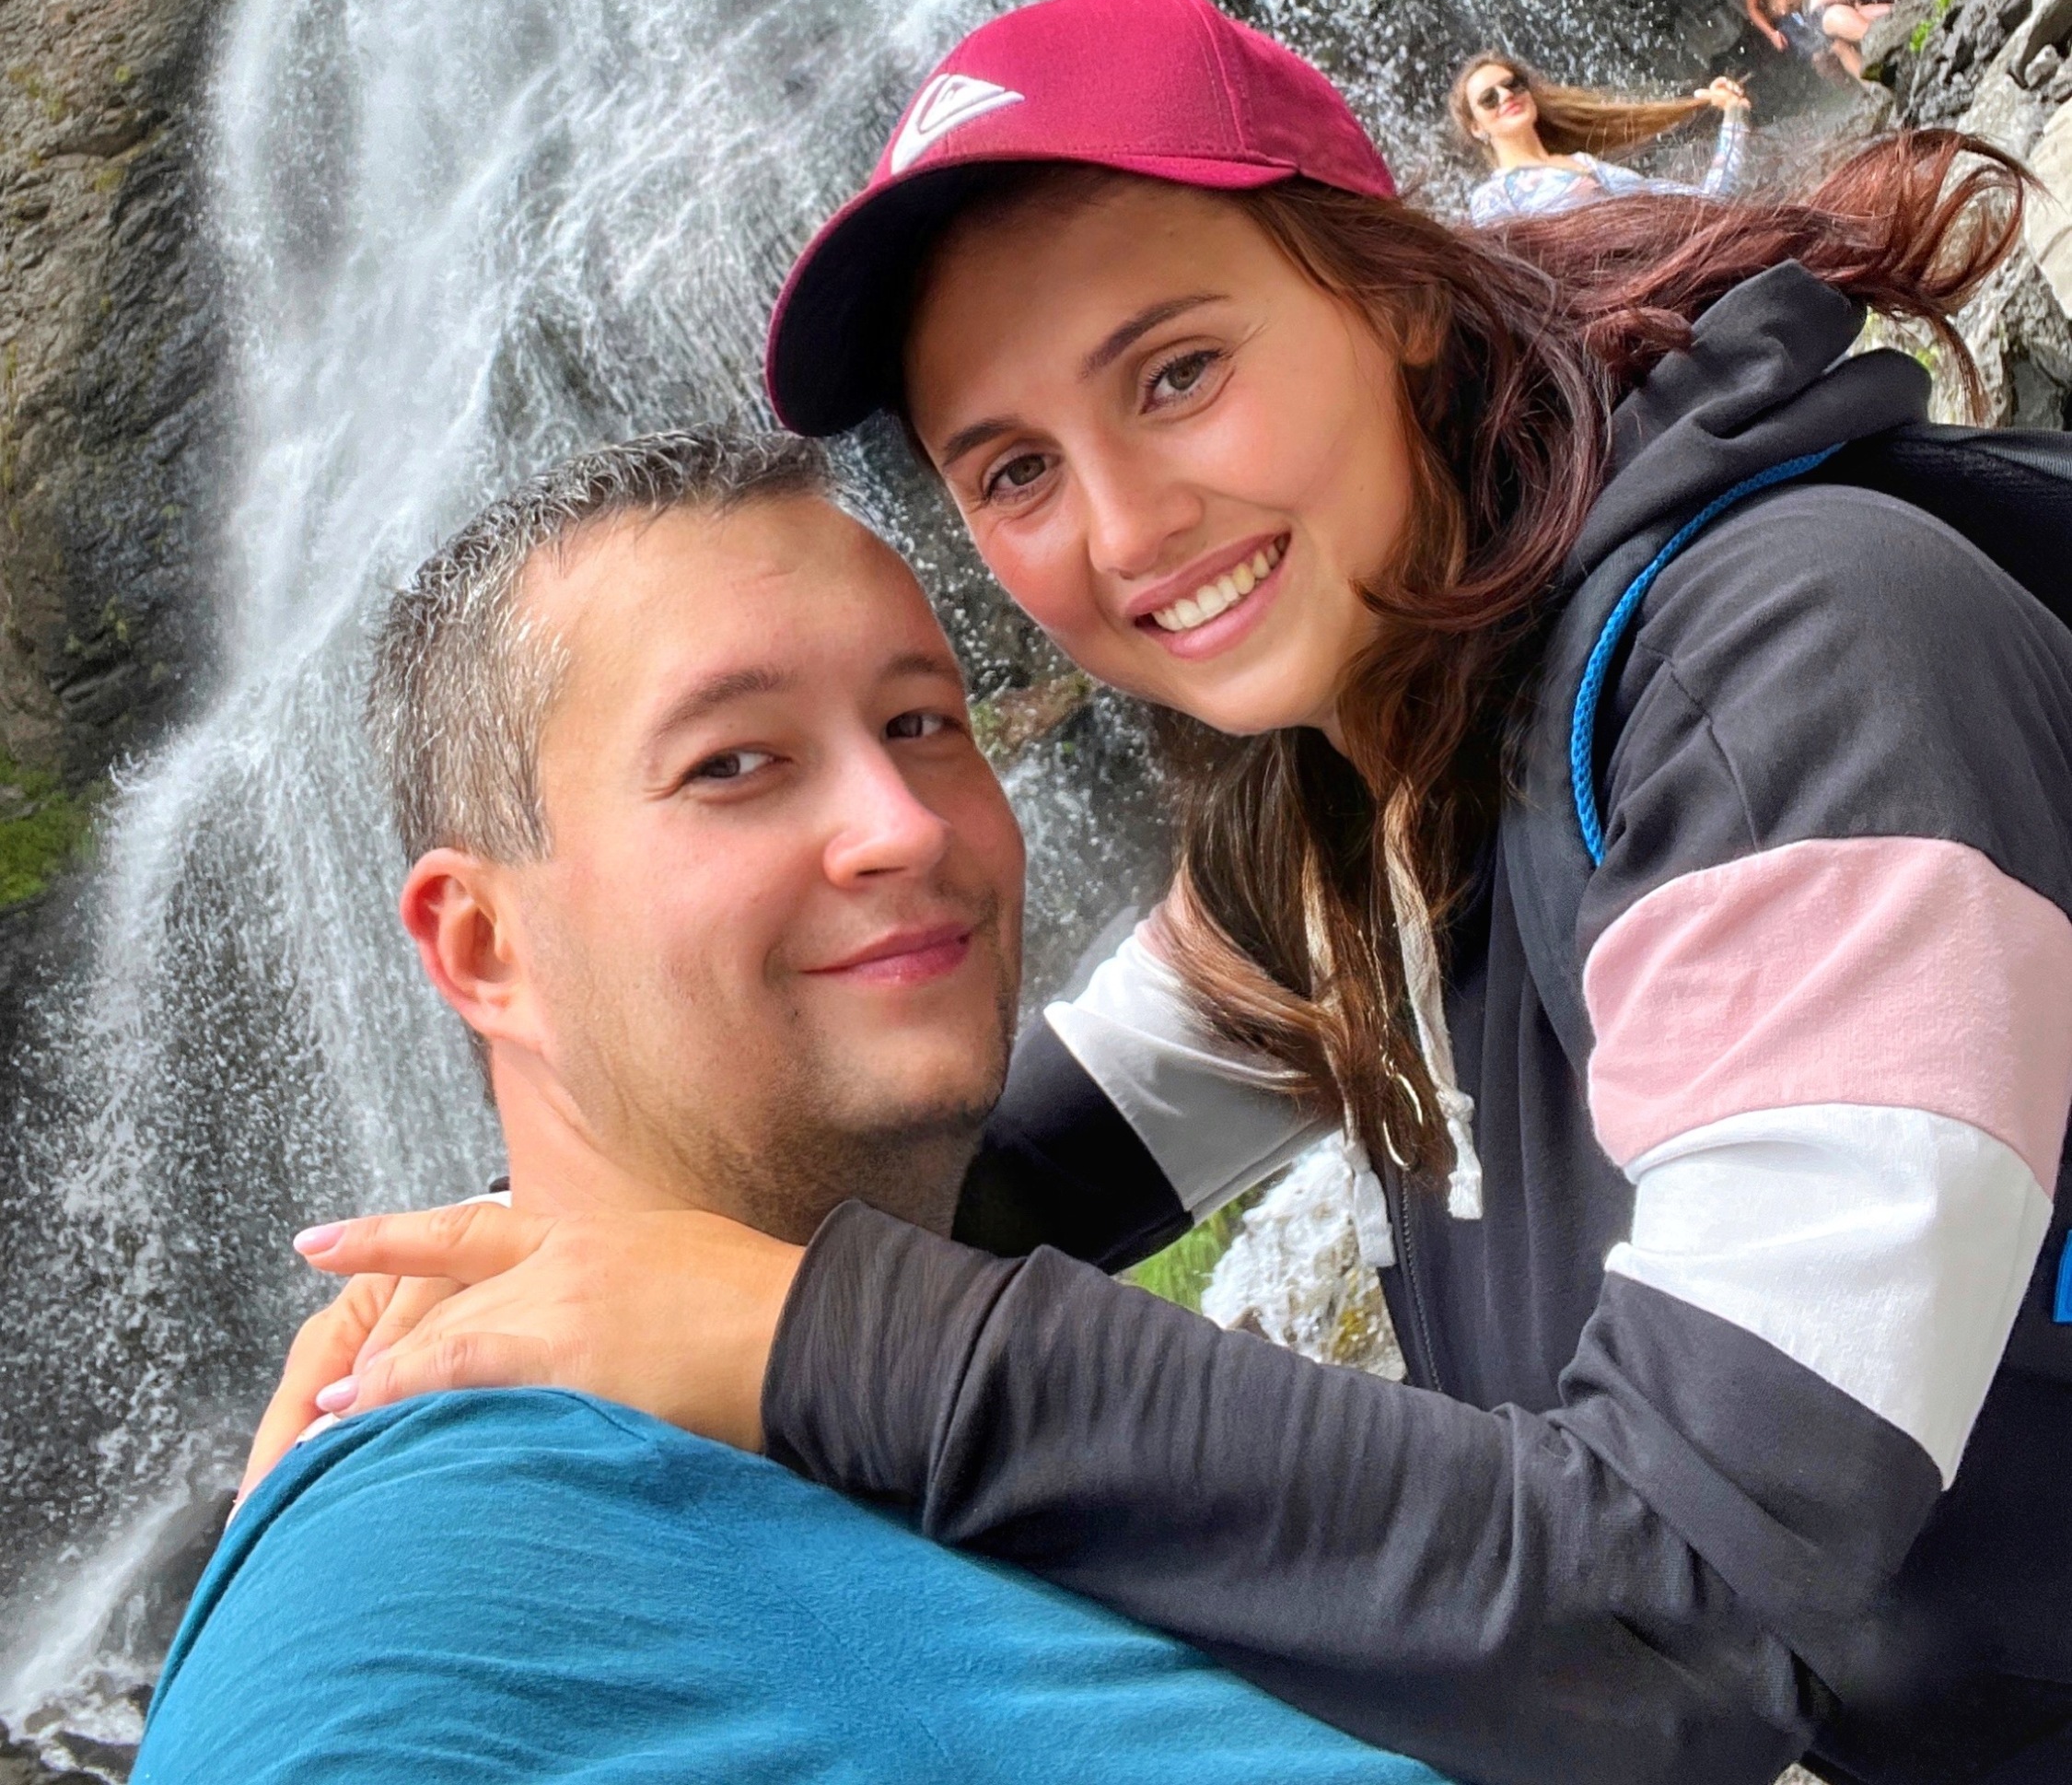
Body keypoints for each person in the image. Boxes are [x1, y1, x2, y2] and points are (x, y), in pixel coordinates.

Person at [257, 0, 2072, 1785]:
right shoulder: (1349, 807)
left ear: (1398, 296)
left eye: (1178, 373)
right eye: (1016, 470)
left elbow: (1690, 1606)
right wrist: (509, 1275)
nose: (1125, 530)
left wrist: (801, 1342)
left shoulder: (1795, 672)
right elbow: (984, 1163)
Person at [142, 430, 1442, 1785]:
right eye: (731, 764)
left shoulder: (862, 1364)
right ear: (482, 948)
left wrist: (792, 1318)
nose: (904, 825)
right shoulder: (411, 1600)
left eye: (922, 723)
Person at [1451, 49, 1749, 223]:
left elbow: (1708, 203)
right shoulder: (1492, 199)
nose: (1506, 96)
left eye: (1513, 84)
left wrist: (1734, 115)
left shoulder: (1584, 165)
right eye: (1489, 98)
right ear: (1476, 127)